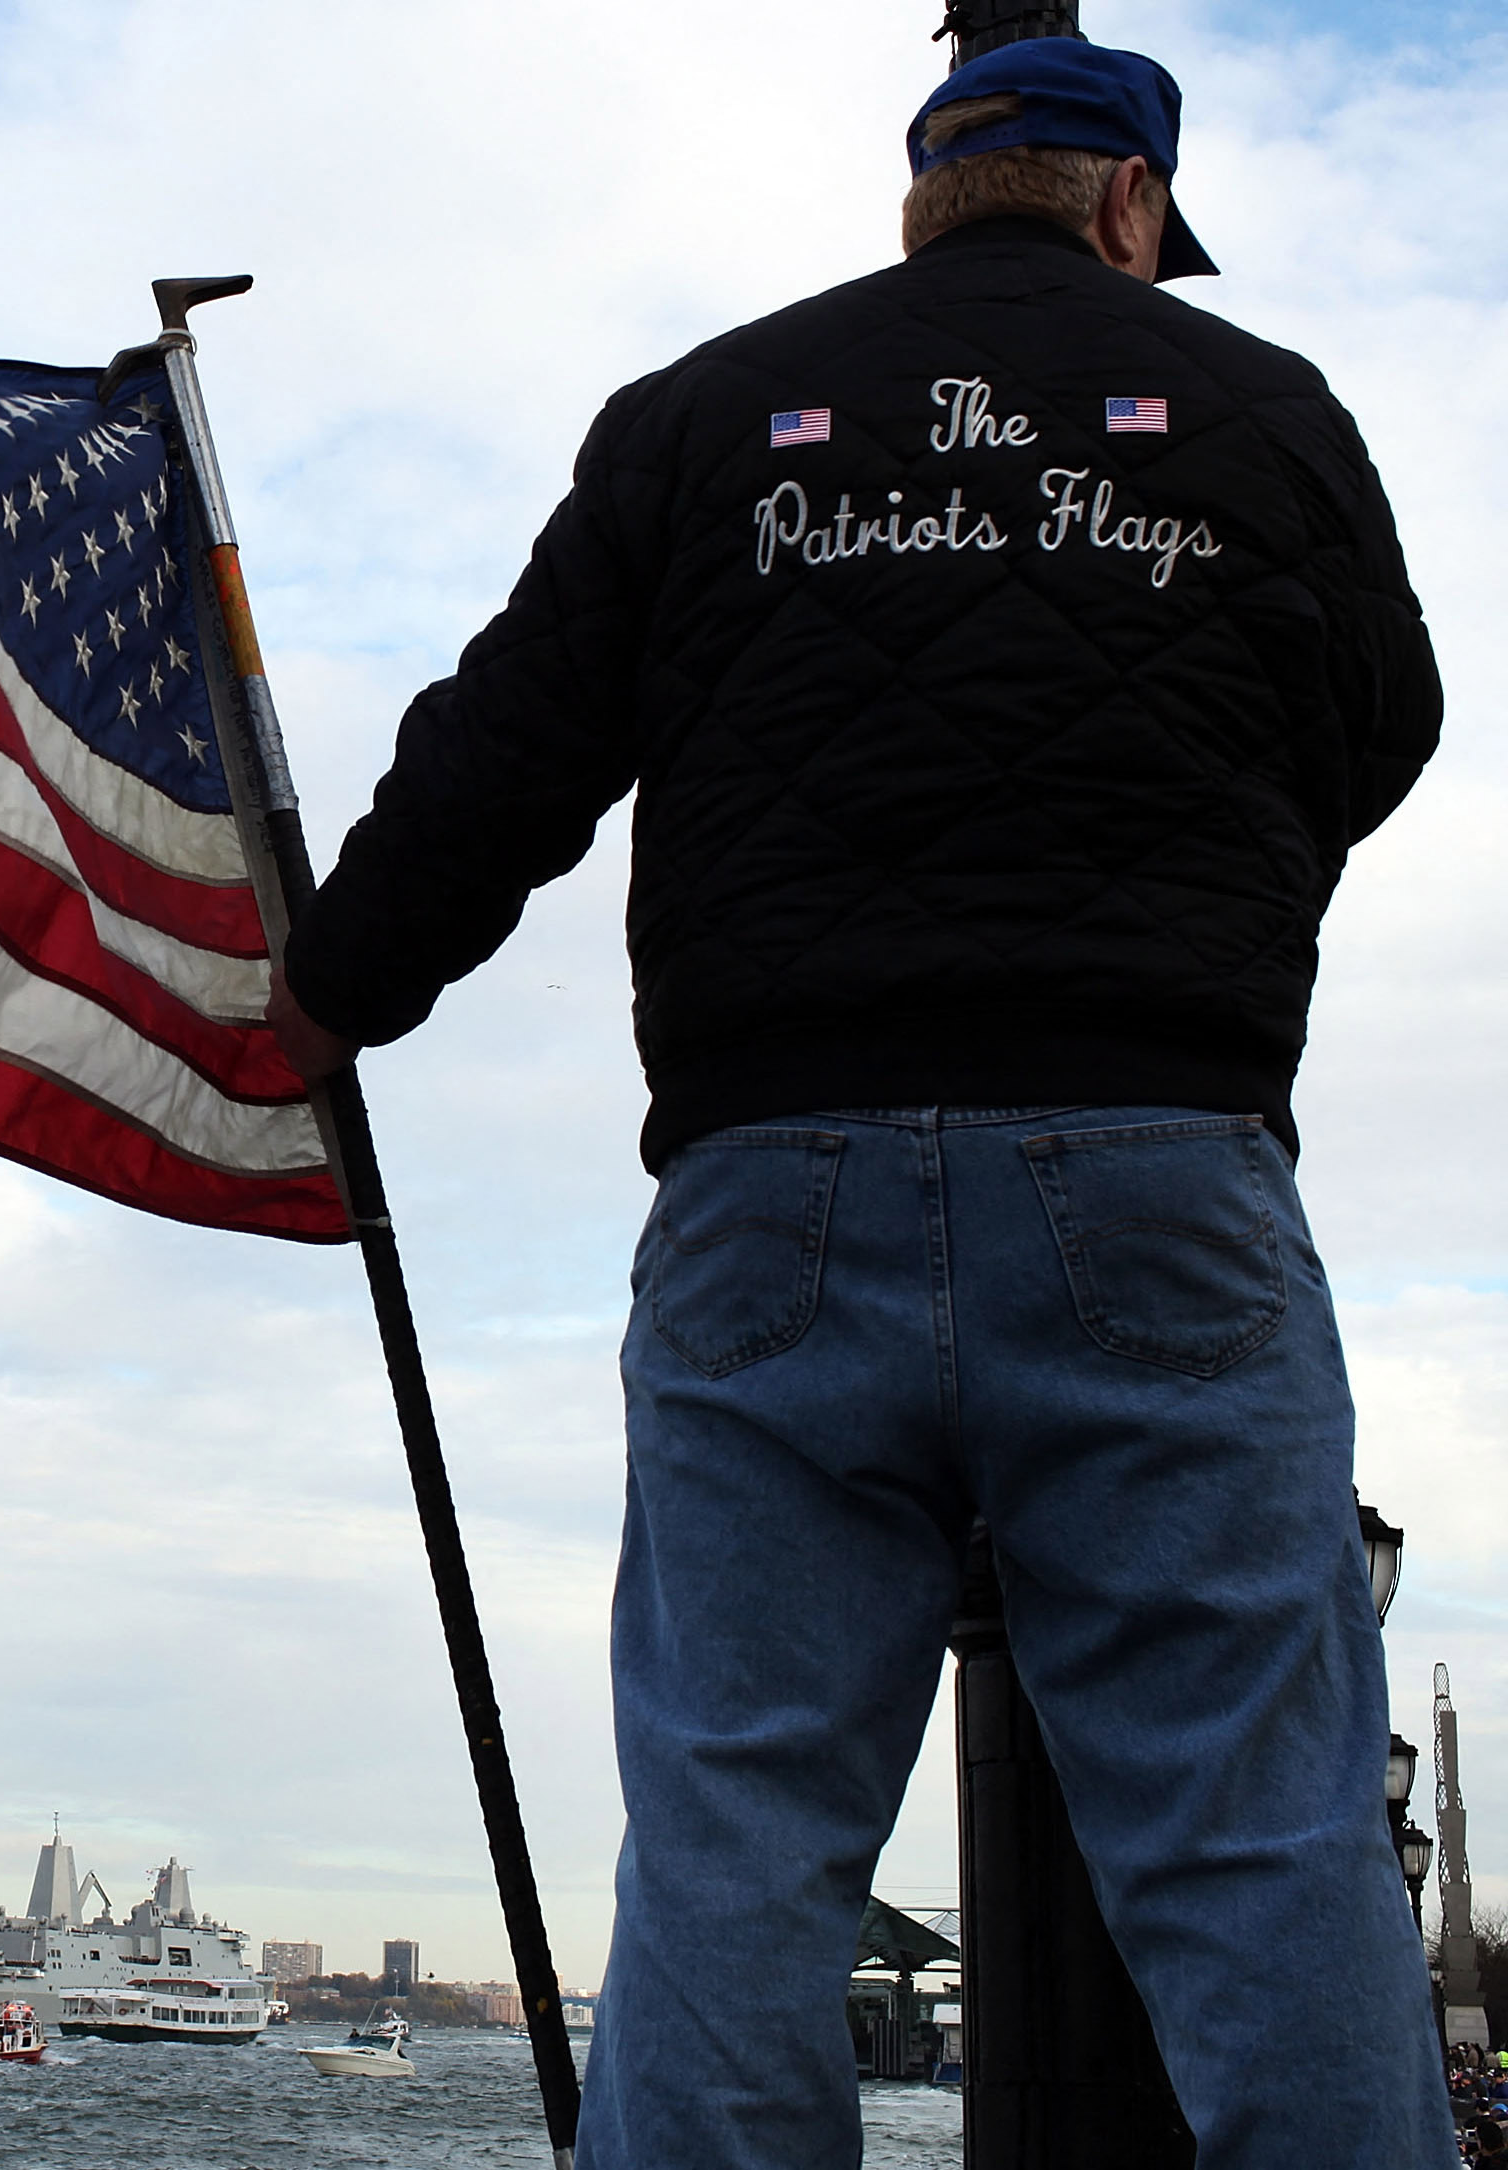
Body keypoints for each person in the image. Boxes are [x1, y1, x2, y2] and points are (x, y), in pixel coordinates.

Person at [268, 33, 1442, 2170]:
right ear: (1128, 207)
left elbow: (498, 762)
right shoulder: (1266, 410)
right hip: (1159, 1167)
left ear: (923, 200)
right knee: (1266, 1848)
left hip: (768, 1190)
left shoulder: (707, 419)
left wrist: (338, 988)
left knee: (738, 1837)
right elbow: (1384, 725)